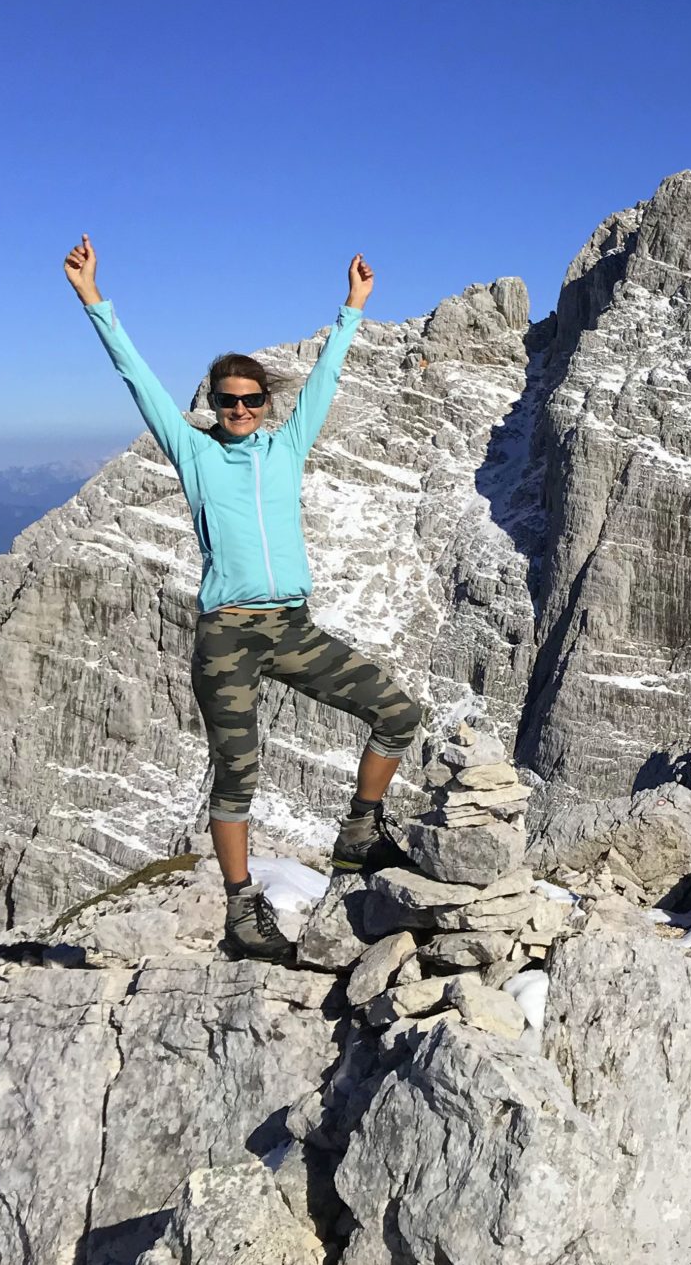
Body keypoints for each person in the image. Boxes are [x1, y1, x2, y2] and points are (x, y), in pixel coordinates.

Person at [64, 234, 425, 961]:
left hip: (292, 627)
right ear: (214, 404)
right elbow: (138, 380)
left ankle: (359, 831)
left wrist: (352, 308)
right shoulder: (195, 452)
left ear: (264, 404)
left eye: (250, 399)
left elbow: (324, 379)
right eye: (227, 400)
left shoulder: (285, 447)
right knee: (238, 775)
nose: (238, 409)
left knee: (397, 711)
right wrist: (94, 301)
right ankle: (240, 911)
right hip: (227, 635)